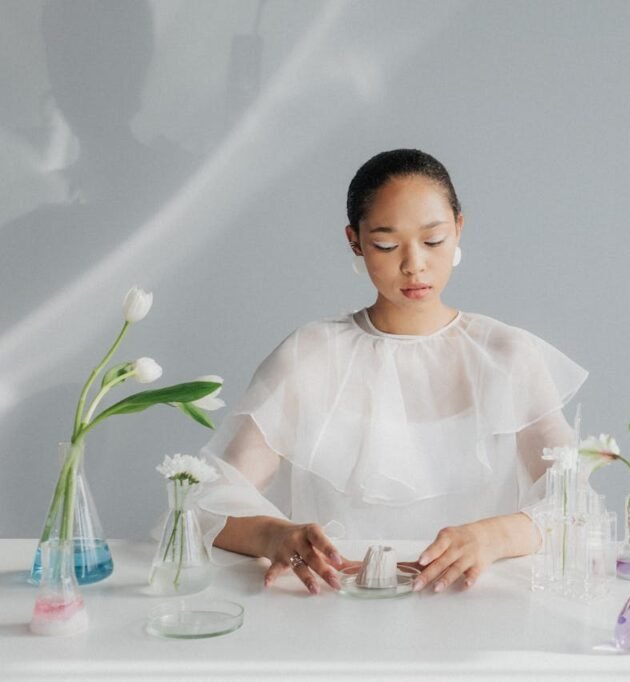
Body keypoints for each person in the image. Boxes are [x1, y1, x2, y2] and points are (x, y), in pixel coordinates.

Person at [196, 149, 586, 595]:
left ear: (459, 228)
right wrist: (274, 534)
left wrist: (495, 536)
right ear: (355, 241)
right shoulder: (312, 355)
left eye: (433, 240)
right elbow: (206, 500)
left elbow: (575, 502)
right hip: (336, 605)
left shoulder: (506, 355)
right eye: (385, 245)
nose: (414, 264)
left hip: (474, 601)